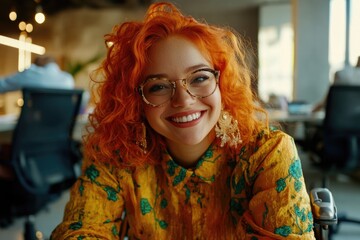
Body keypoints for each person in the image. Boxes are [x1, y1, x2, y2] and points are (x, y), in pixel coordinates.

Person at [51, 2, 315, 239]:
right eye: (158, 87)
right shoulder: (117, 159)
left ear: (221, 83)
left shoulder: (267, 154)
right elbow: (80, 231)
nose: (183, 100)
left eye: (199, 78)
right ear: (136, 101)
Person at [0, 55, 74, 93]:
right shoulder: (68, 78)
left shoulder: (31, 73)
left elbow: (2, 85)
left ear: (37, 65)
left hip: (33, 120)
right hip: (63, 122)